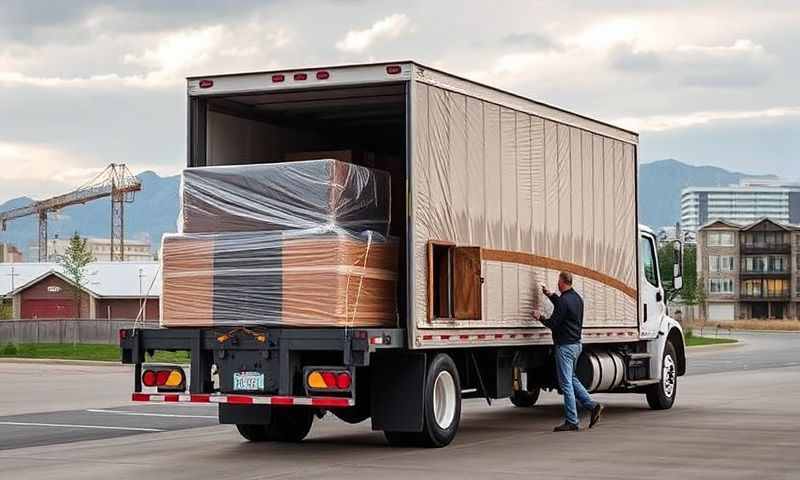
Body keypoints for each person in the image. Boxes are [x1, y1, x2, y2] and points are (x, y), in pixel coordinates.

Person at [533, 271, 603, 432]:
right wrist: (550, 295)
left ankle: (572, 421)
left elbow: (553, 323)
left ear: (562, 282)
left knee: (566, 385)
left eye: (558, 281)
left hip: (564, 347)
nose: (557, 284)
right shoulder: (576, 298)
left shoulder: (564, 301)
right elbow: (563, 306)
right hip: (576, 345)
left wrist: (539, 317)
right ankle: (592, 406)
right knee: (571, 378)